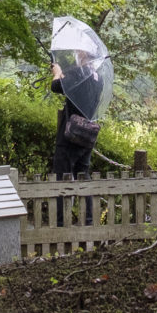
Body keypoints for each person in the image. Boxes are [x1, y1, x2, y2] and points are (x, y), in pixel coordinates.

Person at [49, 60, 98, 226]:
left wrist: (57, 73)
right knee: (83, 176)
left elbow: (56, 87)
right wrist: (64, 75)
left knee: (62, 178)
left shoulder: (79, 73)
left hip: (70, 135)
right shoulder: (97, 77)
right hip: (86, 135)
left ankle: (61, 225)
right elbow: (74, 90)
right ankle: (88, 222)